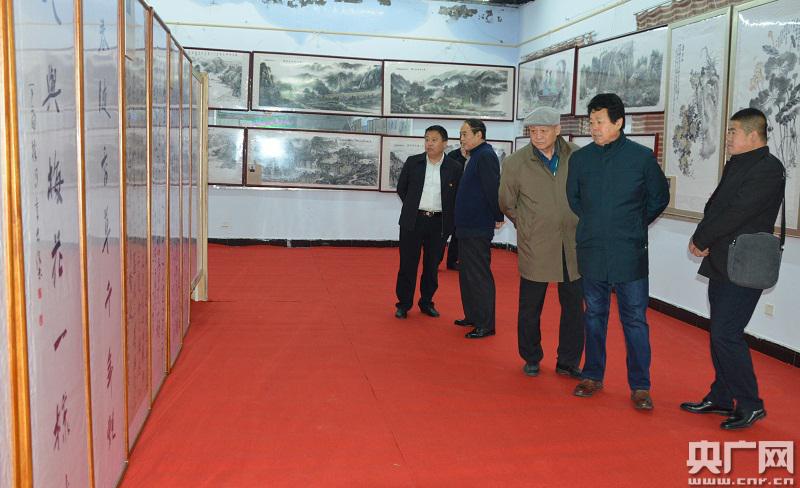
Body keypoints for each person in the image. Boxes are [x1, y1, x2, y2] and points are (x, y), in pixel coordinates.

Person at [681, 108, 785, 430]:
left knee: (726, 333)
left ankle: (751, 404)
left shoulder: (769, 169)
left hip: (745, 265)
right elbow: (716, 207)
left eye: (732, 131)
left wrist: (702, 237)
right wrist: (703, 237)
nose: (727, 137)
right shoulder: (737, 163)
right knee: (719, 331)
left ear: (753, 135)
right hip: (723, 260)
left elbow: (737, 212)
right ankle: (722, 397)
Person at [566, 93, 669, 410]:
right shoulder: (581, 160)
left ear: (619, 122)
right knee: (594, 316)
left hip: (629, 252)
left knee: (634, 320)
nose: (594, 128)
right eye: (591, 122)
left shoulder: (641, 158)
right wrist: (597, 223)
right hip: (593, 249)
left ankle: (640, 386)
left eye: (600, 122)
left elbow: (659, 197)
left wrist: (634, 224)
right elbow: (574, 199)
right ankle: (592, 375)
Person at [499, 106, 584, 378]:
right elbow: (506, 202)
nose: (537, 136)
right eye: (533, 131)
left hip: (572, 244)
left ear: (557, 130)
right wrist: (526, 223)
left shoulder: (577, 156)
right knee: (530, 306)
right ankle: (531, 356)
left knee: (574, 307)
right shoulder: (516, 163)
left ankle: (568, 361)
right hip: (535, 242)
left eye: (543, 131)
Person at [394, 125, 463, 319]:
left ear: (445, 143)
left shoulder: (455, 167)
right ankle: (403, 304)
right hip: (413, 221)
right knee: (408, 264)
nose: (429, 143)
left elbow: (457, 196)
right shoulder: (413, 162)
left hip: (438, 223)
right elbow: (402, 189)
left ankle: (426, 302)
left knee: (432, 266)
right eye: (426, 139)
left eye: (434, 140)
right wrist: (413, 207)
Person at [453, 119, 505, 339]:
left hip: (477, 226)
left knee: (478, 275)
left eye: (465, 134)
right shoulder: (475, 156)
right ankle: (473, 316)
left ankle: (485, 323)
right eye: (461, 134)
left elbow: (492, 189)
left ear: (479, 135)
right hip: (466, 225)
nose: (462, 138)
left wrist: (498, 215)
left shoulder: (485, 156)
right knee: (467, 274)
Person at [440, 146, 468, 270]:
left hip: (464, 202)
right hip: (449, 201)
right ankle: (435, 261)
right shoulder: (452, 155)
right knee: (443, 234)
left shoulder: (475, 156)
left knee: (458, 235)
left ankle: (452, 261)